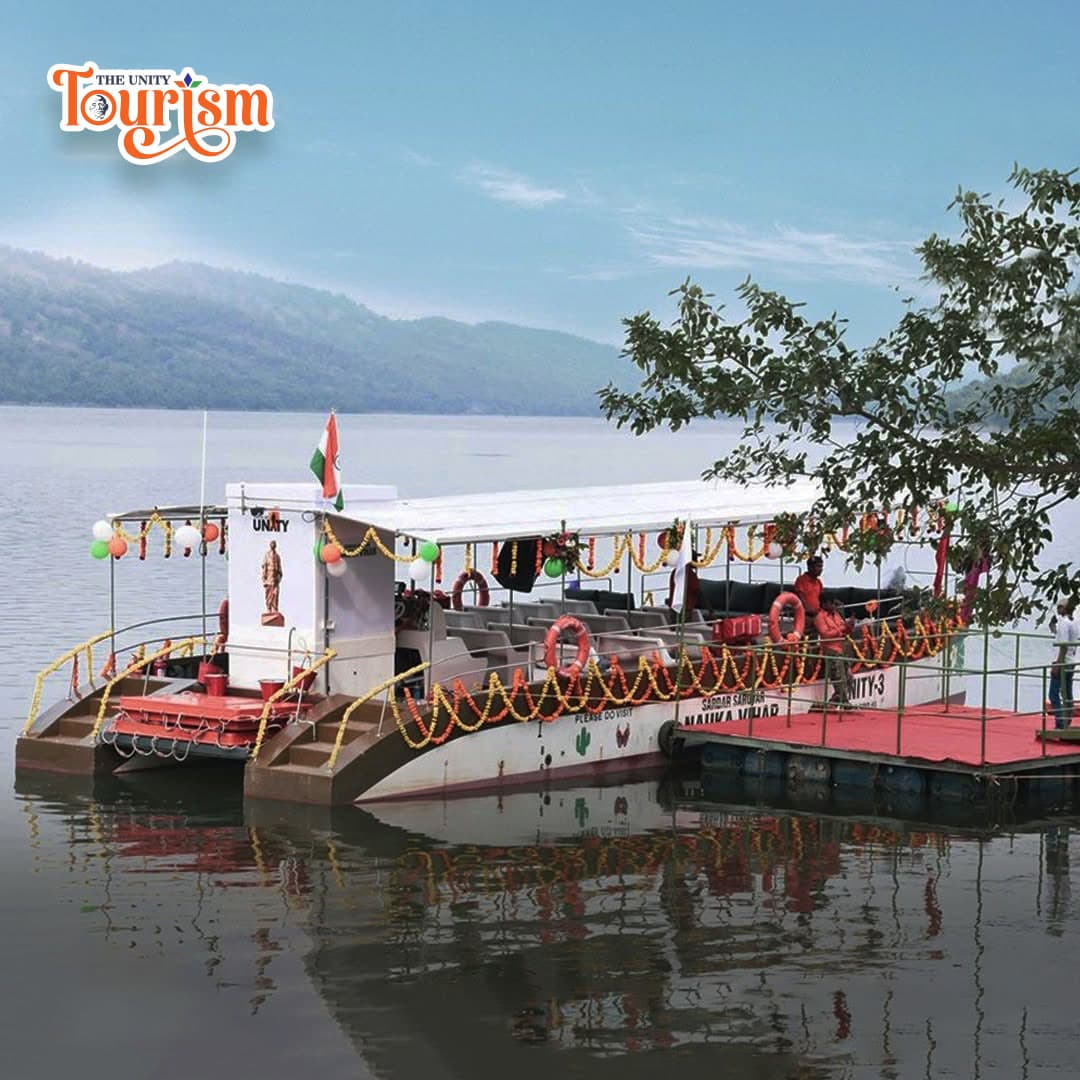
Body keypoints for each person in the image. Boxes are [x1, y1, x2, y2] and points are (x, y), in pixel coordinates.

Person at [814, 595, 854, 705]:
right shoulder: (819, 617)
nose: (834, 606)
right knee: (838, 676)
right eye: (831, 604)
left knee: (848, 676)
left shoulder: (836, 615)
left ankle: (838, 700)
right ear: (824, 604)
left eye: (834, 604)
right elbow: (825, 634)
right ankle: (844, 702)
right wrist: (841, 630)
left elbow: (844, 630)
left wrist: (850, 626)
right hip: (830, 649)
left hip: (841, 648)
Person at [1049, 597, 1079, 729]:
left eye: (1060, 606)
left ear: (1065, 608)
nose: (1058, 608)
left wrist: (1057, 664)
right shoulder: (1074, 622)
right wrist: (1053, 629)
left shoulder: (1064, 623)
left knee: (1053, 693)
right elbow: (1066, 637)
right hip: (1072, 660)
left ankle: (1061, 722)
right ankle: (1067, 720)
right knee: (1067, 692)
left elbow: (1064, 645)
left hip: (1063, 661)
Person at [261, 540, 283, 613]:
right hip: (269, 578)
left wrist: (279, 577)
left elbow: (279, 568)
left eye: (274, 544)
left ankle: (275, 609)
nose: (273, 545)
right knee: (269, 595)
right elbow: (264, 567)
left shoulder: (277, 556)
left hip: (275, 578)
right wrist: (264, 579)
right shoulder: (267, 555)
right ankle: (269, 608)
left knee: (275, 594)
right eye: (272, 544)